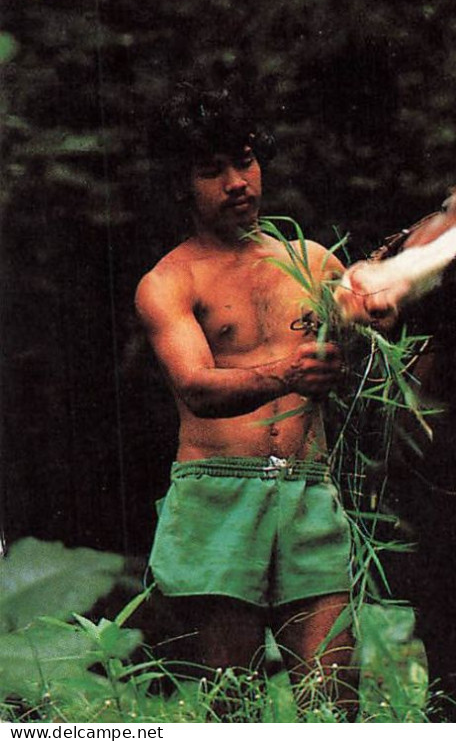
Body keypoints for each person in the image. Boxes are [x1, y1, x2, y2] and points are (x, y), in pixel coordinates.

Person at [136, 86, 358, 717]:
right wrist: (290, 372)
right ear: (182, 186)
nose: (237, 182)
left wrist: (374, 315)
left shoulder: (312, 263)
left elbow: (371, 332)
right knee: (234, 704)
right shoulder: (169, 281)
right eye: (212, 172)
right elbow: (197, 387)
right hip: (216, 498)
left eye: (245, 161)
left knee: (336, 705)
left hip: (307, 493)